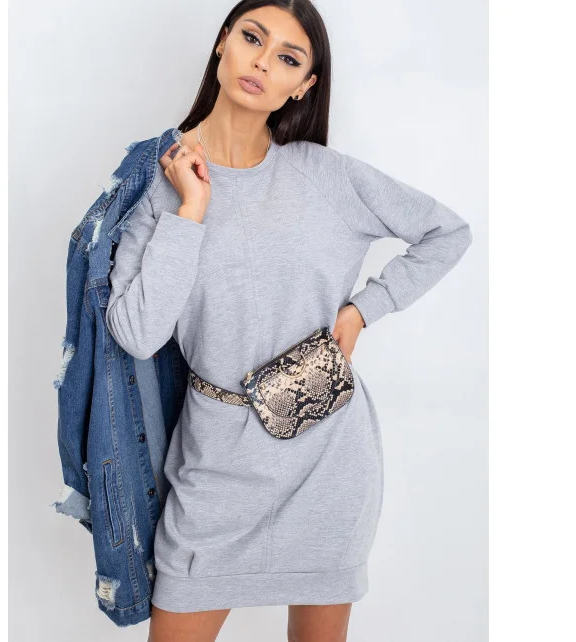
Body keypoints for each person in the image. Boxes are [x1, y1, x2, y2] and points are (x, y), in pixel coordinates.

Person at [105, 1, 473, 640]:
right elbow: (136, 334)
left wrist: (361, 312)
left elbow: (448, 232)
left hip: (326, 458)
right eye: (252, 38)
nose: (261, 63)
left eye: (287, 57)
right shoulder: (159, 182)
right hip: (213, 470)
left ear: (302, 85)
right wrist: (191, 211)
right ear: (223, 42)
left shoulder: (328, 177)